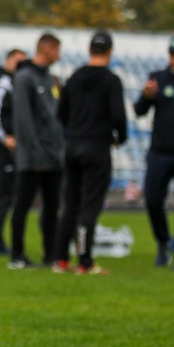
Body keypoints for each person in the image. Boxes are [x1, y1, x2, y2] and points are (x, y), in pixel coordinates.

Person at [52, 31, 127, 274]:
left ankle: (60, 259)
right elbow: (118, 116)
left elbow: (61, 113)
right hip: (96, 147)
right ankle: (85, 261)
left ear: (89, 50)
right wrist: (119, 138)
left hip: (73, 146)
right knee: (89, 206)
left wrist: (73, 133)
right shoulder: (111, 80)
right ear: (110, 52)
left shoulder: (74, 77)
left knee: (70, 204)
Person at [135, 35, 174, 271]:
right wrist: (146, 97)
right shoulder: (157, 79)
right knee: (153, 199)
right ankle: (163, 241)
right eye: (172, 55)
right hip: (159, 152)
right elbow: (139, 110)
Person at [9, 33, 64, 269]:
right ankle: (17, 255)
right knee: (22, 205)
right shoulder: (24, 78)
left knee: (52, 207)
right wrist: (34, 154)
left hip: (54, 157)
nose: (59, 55)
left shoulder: (51, 80)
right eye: (57, 50)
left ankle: (50, 253)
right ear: (47, 48)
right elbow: (24, 121)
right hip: (33, 158)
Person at [0, 48, 28, 257]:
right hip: (2, 149)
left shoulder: (15, 83)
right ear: (8, 61)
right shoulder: (4, 84)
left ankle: (0, 241)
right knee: (3, 195)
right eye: (17, 61)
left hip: (12, 148)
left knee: (9, 195)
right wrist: (5, 138)